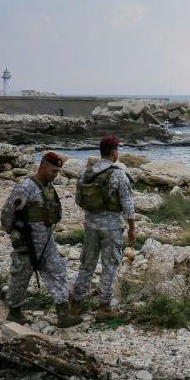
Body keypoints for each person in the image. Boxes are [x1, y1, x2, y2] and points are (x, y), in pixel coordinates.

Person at [1, 152, 80, 327]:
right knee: (20, 276)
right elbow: (8, 212)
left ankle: (62, 313)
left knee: (57, 271)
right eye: (53, 171)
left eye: (58, 172)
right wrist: (13, 234)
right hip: (27, 241)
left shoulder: (49, 187)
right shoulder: (26, 187)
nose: (55, 175)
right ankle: (14, 312)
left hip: (46, 241)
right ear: (43, 167)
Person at [70, 135, 136, 320]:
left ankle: (75, 304)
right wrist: (131, 227)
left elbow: (78, 199)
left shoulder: (86, 173)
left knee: (87, 265)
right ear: (114, 152)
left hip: (91, 226)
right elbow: (127, 204)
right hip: (112, 227)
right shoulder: (118, 174)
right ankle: (104, 307)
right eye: (117, 150)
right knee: (110, 266)